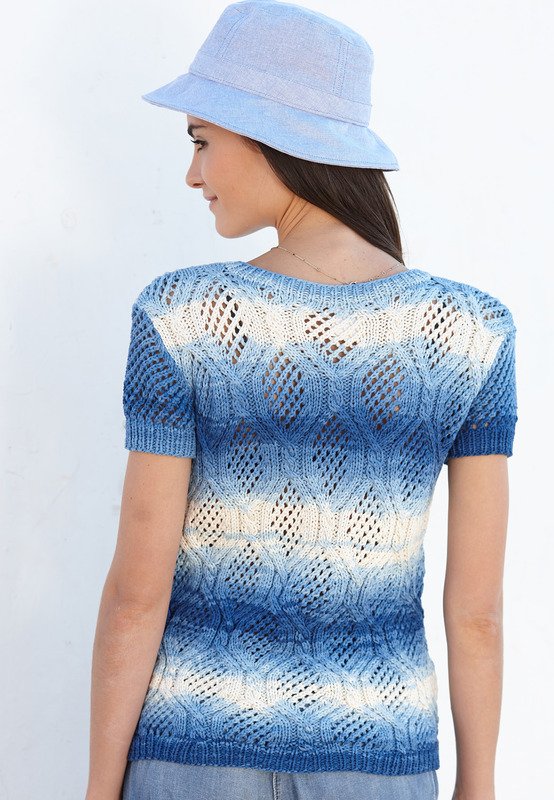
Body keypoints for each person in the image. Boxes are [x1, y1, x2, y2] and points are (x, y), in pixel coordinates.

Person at [86, 2, 518, 799]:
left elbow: (135, 598)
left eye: (201, 141)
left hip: (196, 751)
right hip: (380, 759)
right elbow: (477, 612)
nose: (192, 175)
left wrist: (98, 789)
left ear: (268, 136)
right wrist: (479, 786)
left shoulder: (182, 317)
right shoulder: (473, 332)